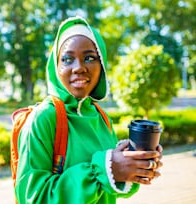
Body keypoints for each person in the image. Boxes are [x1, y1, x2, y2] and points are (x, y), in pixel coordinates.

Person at [14, 16, 163, 204]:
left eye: (89, 58)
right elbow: (33, 198)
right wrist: (105, 169)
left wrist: (131, 167)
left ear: (102, 66)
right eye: (67, 59)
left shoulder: (100, 117)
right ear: (56, 67)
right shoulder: (43, 118)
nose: (79, 68)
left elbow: (110, 190)